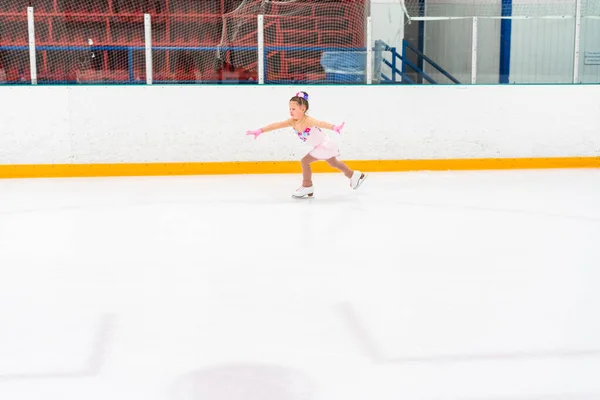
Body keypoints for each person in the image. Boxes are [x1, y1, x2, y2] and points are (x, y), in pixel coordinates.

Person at [246, 91, 367, 198]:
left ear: (303, 109)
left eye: (293, 109)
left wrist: (334, 127)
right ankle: (354, 175)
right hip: (322, 145)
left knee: (305, 161)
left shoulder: (307, 120)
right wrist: (260, 130)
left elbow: (320, 123)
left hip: (324, 144)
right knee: (333, 163)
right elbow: (276, 125)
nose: (290, 111)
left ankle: (307, 185)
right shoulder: (292, 122)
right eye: (289, 108)